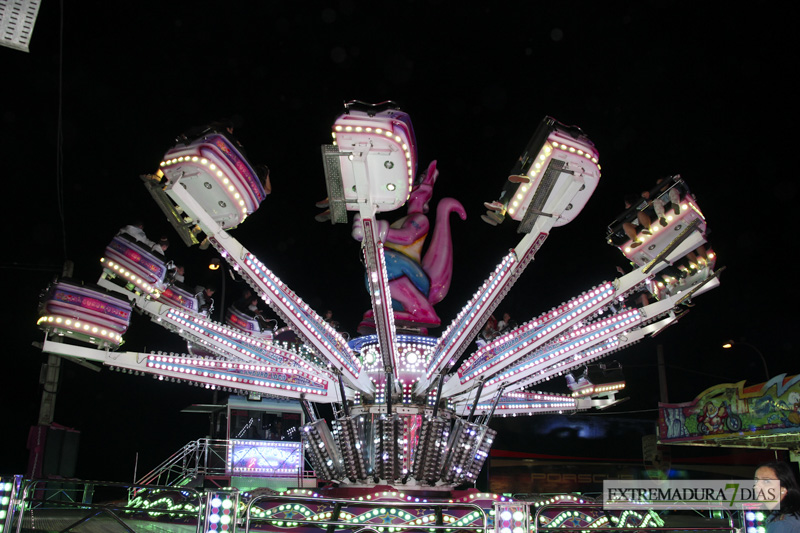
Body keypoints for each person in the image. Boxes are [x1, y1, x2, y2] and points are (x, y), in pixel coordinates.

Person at [755, 461, 800, 533]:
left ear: (783, 488)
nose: (757, 486)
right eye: (756, 481)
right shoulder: (791, 516)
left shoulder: (782, 524)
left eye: (766, 481)